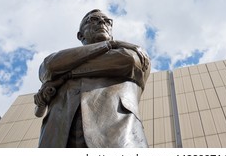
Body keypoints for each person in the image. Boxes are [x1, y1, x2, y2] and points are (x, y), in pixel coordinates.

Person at [34, 9, 151, 147]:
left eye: (108, 21)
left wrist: (66, 74)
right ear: (80, 35)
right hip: (58, 141)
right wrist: (110, 44)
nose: (102, 22)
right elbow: (49, 67)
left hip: (117, 139)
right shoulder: (57, 61)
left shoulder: (132, 53)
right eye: (93, 19)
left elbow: (129, 61)